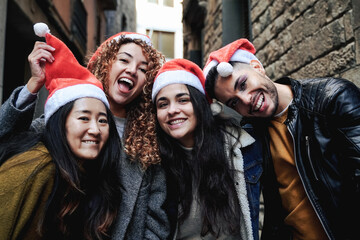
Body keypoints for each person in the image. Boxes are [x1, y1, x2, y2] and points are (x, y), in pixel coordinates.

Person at [0, 23, 169, 239]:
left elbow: (156, 222)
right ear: (107, 63)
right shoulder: (63, 121)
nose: (132, 70)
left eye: (143, 69)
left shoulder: (149, 144)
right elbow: (6, 139)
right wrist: (33, 85)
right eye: (124, 60)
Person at [203, 38, 360, 240]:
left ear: (257, 67)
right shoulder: (253, 135)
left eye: (242, 84)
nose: (246, 100)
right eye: (234, 103)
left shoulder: (333, 99)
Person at [152, 59, 262, 240]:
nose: (172, 110)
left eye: (183, 100)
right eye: (163, 104)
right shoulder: (156, 162)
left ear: (200, 104)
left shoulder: (239, 148)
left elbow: (261, 210)